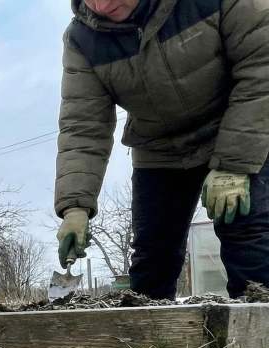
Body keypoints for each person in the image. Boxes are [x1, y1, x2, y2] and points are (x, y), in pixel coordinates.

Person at [54, 0, 269, 299]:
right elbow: (82, 127)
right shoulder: (82, 39)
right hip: (160, 148)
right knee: (152, 258)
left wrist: (234, 164)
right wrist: (74, 206)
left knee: (249, 238)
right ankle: (152, 342)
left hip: (237, 126)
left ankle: (257, 338)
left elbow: (262, 71)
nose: (102, 5)